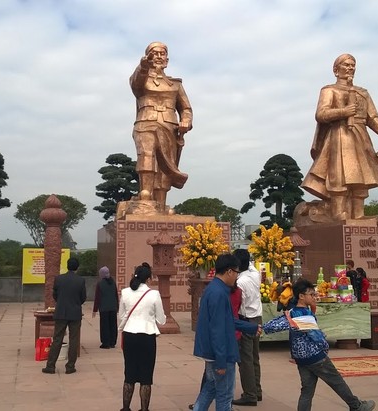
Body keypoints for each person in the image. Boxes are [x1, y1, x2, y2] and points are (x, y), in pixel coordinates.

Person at [301, 54, 378, 220]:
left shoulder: (363, 93)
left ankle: (358, 214)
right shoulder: (329, 90)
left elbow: (373, 118)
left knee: (361, 175)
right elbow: (321, 114)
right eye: (346, 65)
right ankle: (339, 212)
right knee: (339, 174)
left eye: (353, 65)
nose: (350, 68)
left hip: (360, 136)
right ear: (336, 69)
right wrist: (343, 112)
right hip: (339, 134)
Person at [263, 278, 376, 411]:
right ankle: (356, 406)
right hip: (316, 357)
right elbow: (315, 336)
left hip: (301, 359)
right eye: (311, 294)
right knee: (337, 382)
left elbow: (269, 327)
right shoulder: (304, 315)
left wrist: (285, 319)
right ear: (301, 296)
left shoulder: (292, 313)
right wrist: (325, 346)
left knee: (307, 391)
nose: (314, 297)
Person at [130, 42, 193, 212]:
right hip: (146, 122)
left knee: (165, 166)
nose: (158, 57)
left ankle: (161, 203)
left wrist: (186, 121)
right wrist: (143, 65)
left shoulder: (175, 84)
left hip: (169, 126)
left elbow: (186, 108)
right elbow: (136, 83)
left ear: (167, 59)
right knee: (147, 155)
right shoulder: (141, 79)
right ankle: (145, 196)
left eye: (162, 54)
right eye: (154, 53)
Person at [191, 254, 259, 411]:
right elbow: (218, 329)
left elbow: (226, 320)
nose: (237, 276)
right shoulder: (219, 293)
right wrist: (221, 361)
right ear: (229, 271)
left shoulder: (215, 289)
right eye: (236, 272)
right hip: (221, 353)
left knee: (211, 387)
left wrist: (251, 327)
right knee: (225, 395)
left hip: (214, 351)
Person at [118, 263, 166, 411]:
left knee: (129, 373)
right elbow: (161, 320)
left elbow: (121, 315)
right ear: (149, 279)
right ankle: (144, 409)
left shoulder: (125, 292)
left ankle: (126, 408)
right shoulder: (154, 294)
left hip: (130, 335)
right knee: (146, 375)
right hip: (147, 336)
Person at [42, 257, 86, 375]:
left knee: (57, 339)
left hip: (61, 312)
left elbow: (55, 295)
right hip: (75, 313)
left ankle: (50, 366)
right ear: (77, 267)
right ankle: (70, 366)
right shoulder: (80, 280)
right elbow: (83, 297)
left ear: (67, 266)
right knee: (73, 340)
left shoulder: (59, 279)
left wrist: (62, 303)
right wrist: (75, 304)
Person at [232, 249, 263, 406]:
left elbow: (238, 303)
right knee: (254, 357)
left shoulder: (241, 282)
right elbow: (249, 265)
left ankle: (250, 394)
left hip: (246, 320)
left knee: (245, 361)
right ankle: (257, 390)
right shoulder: (255, 273)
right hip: (257, 318)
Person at [92, 266, 118, 349]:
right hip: (113, 307)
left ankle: (105, 343)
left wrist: (95, 310)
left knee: (105, 325)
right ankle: (112, 342)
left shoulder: (100, 283)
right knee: (113, 325)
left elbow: (97, 298)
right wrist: (117, 306)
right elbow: (116, 295)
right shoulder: (113, 282)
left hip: (104, 308)